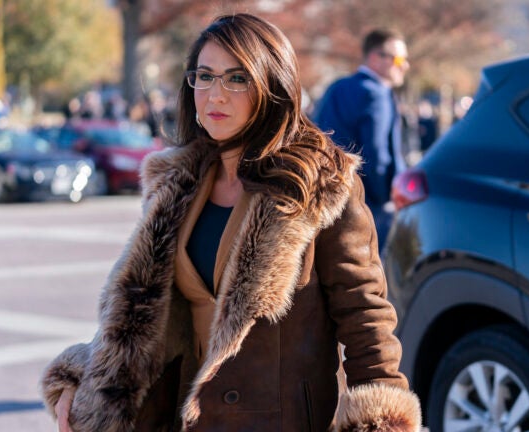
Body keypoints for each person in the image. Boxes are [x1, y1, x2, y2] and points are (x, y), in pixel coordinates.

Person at [40, 13, 421, 432]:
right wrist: (84, 383)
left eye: (237, 79)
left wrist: (382, 422)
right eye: (205, 76)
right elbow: (135, 315)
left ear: (271, 86)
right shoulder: (175, 183)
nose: (215, 95)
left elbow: (366, 318)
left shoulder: (318, 185)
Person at [313, 28, 410, 251]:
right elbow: (378, 154)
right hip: (368, 203)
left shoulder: (337, 87)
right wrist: (385, 198)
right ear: (376, 58)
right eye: (399, 59)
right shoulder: (377, 93)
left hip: (327, 196)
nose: (404, 65)